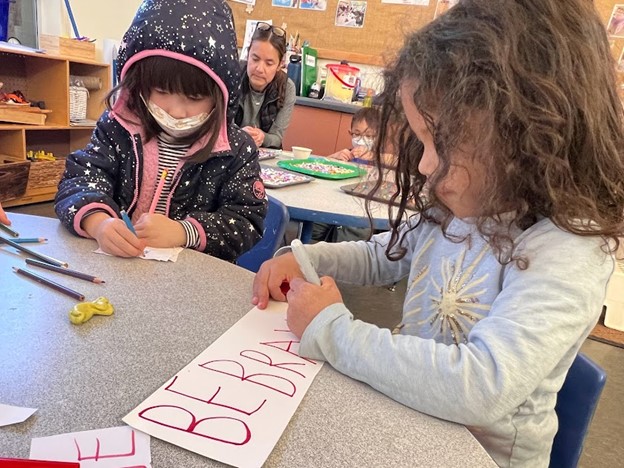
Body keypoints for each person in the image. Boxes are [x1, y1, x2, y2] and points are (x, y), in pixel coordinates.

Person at [251, 0, 624, 466]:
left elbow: (482, 384)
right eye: (422, 143)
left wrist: (332, 330)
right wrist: (311, 259)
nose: (425, 165)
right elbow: (382, 256)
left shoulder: (568, 249)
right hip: (414, 423)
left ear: (527, 135)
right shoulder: (456, 208)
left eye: (440, 143)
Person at [55, 0, 267, 261]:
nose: (177, 111)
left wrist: (184, 231)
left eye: (195, 96)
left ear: (220, 95)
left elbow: (247, 221)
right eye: (163, 92)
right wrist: (98, 223)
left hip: (192, 283)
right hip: (120, 271)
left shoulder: (236, 150)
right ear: (140, 83)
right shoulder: (116, 127)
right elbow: (80, 180)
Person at [235, 22, 296, 149]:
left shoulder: (287, 88)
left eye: (269, 63)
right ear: (247, 54)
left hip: (265, 155)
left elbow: (277, 138)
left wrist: (262, 136)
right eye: (255, 59)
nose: (259, 69)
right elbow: (218, 127)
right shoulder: (233, 76)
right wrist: (239, 134)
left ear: (280, 64)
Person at [327, 106, 395, 166]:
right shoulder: (348, 155)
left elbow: (397, 162)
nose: (362, 140)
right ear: (350, 132)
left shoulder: (383, 159)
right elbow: (320, 164)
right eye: (357, 134)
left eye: (368, 136)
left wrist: (372, 156)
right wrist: (333, 157)